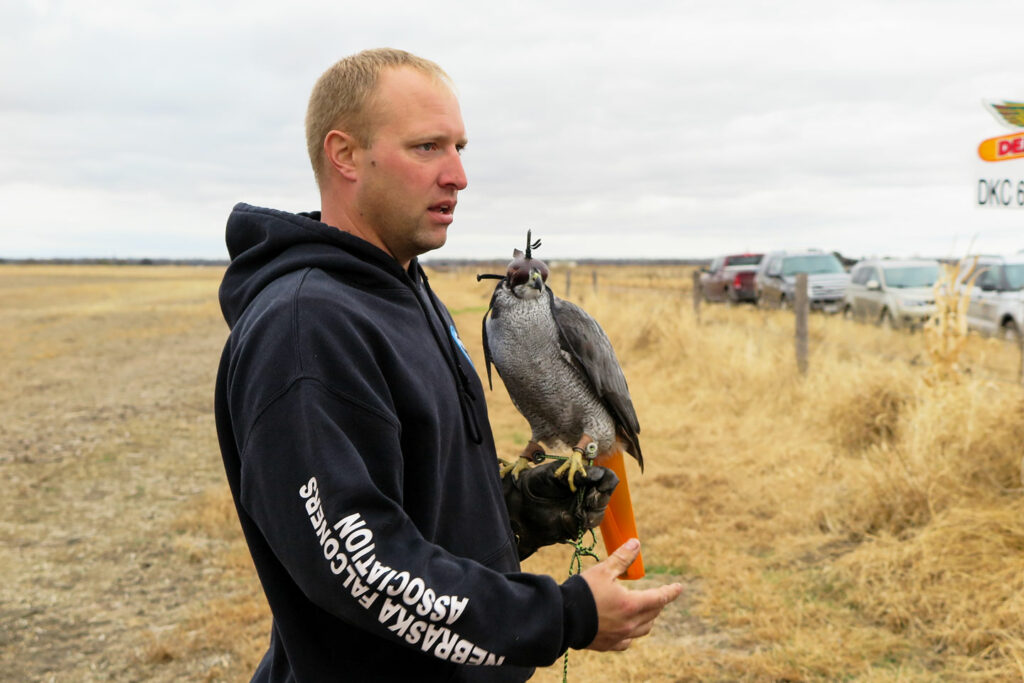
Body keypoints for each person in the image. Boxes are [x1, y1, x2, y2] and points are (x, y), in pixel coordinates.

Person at [214, 47, 682, 682]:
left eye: (461, 147)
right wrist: (561, 615)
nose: (458, 175)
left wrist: (512, 514)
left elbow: (413, 498)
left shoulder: (405, 290)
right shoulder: (307, 327)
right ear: (345, 155)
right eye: (428, 147)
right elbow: (360, 566)